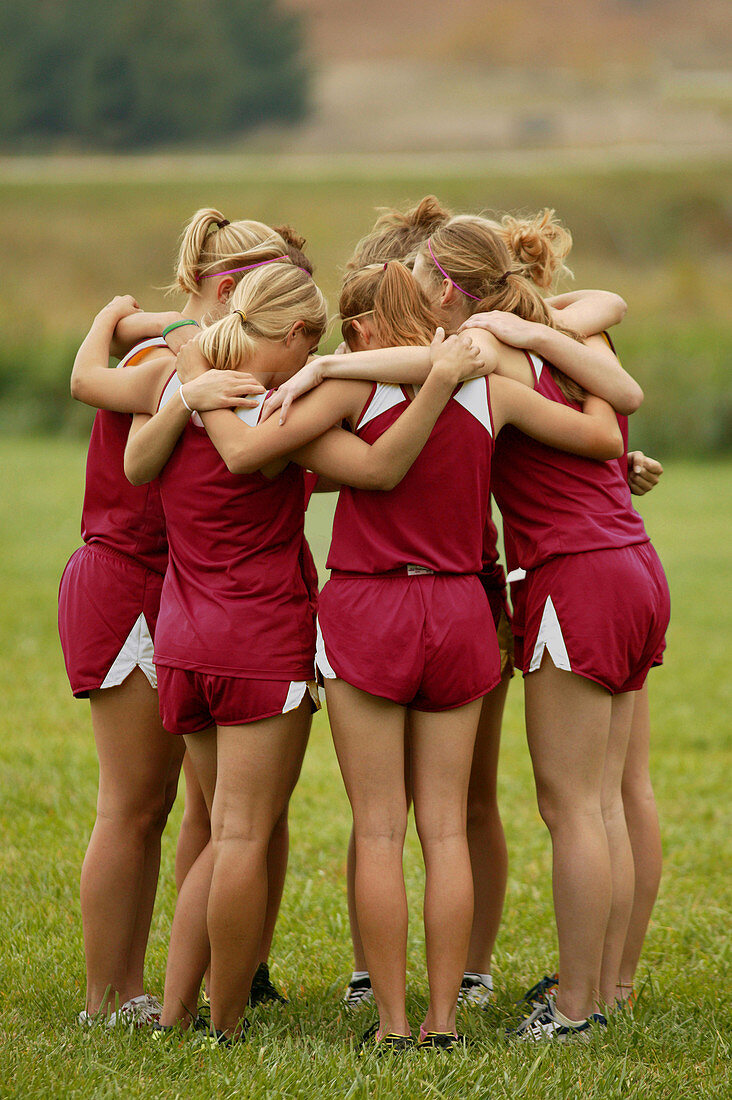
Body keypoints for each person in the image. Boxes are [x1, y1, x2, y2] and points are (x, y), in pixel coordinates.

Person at [158, 258, 625, 1048]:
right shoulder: (493, 388)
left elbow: (255, 456)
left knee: (378, 830)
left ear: (365, 328)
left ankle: (393, 1023)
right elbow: (601, 436)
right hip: (459, 607)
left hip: (370, 607)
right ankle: (446, 1019)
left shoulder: (343, 388)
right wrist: (600, 362)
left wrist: (201, 372)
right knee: (446, 831)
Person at [264, 198, 633, 1012]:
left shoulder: (467, 356)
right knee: (444, 814)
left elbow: (330, 463)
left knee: (405, 818)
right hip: (466, 602)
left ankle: (430, 987)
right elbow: (590, 417)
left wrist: (314, 375)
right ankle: (433, 991)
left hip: (427, 593)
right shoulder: (471, 373)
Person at [122, 259, 489, 1043]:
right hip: (263, 640)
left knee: (227, 832)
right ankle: (229, 1024)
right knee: (256, 836)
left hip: (184, 638)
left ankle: (181, 1011)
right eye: (311, 343)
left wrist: (186, 367)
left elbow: (134, 452)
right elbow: (375, 466)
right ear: (291, 333)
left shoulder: (181, 389)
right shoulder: (277, 408)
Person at [406, 214, 669, 1039]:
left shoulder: (488, 355)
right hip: (634, 567)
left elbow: (605, 413)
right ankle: (606, 987)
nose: (413, 293)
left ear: (449, 287)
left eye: (420, 279)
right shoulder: (565, 337)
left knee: (573, 810)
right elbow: (613, 368)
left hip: (576, 577)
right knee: (615, 799)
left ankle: (575, 1009)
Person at [60, 207, 301, 1024]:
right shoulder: (169, 361)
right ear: (237, 287)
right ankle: (110, 995)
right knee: (134, 803)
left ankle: (190, 986)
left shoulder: (204, 351)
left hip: (191, 594)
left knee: (211, 812)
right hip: (132, 580)